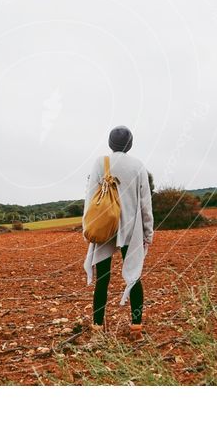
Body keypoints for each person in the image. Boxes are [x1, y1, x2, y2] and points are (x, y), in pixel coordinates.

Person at [83, 125, 154, 341]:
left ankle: (97, 329)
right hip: (131, 229)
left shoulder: (99, 163)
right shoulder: (138, 166)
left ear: (110, 143)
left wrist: (88, 226)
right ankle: (136, 327)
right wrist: (148, 232)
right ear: (130, 144)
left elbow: (90, 196)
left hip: (104, 224)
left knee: (102, 278)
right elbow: (145, 204)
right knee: (134, 278)